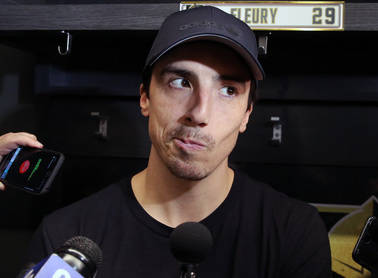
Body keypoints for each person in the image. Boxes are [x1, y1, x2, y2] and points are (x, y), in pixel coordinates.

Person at [22, 6, 332, 277]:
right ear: (145, 96)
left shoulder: (293, 232)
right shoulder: (67, 238)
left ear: (247, 113)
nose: (199, 112)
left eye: (228, 90)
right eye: (181, 82)